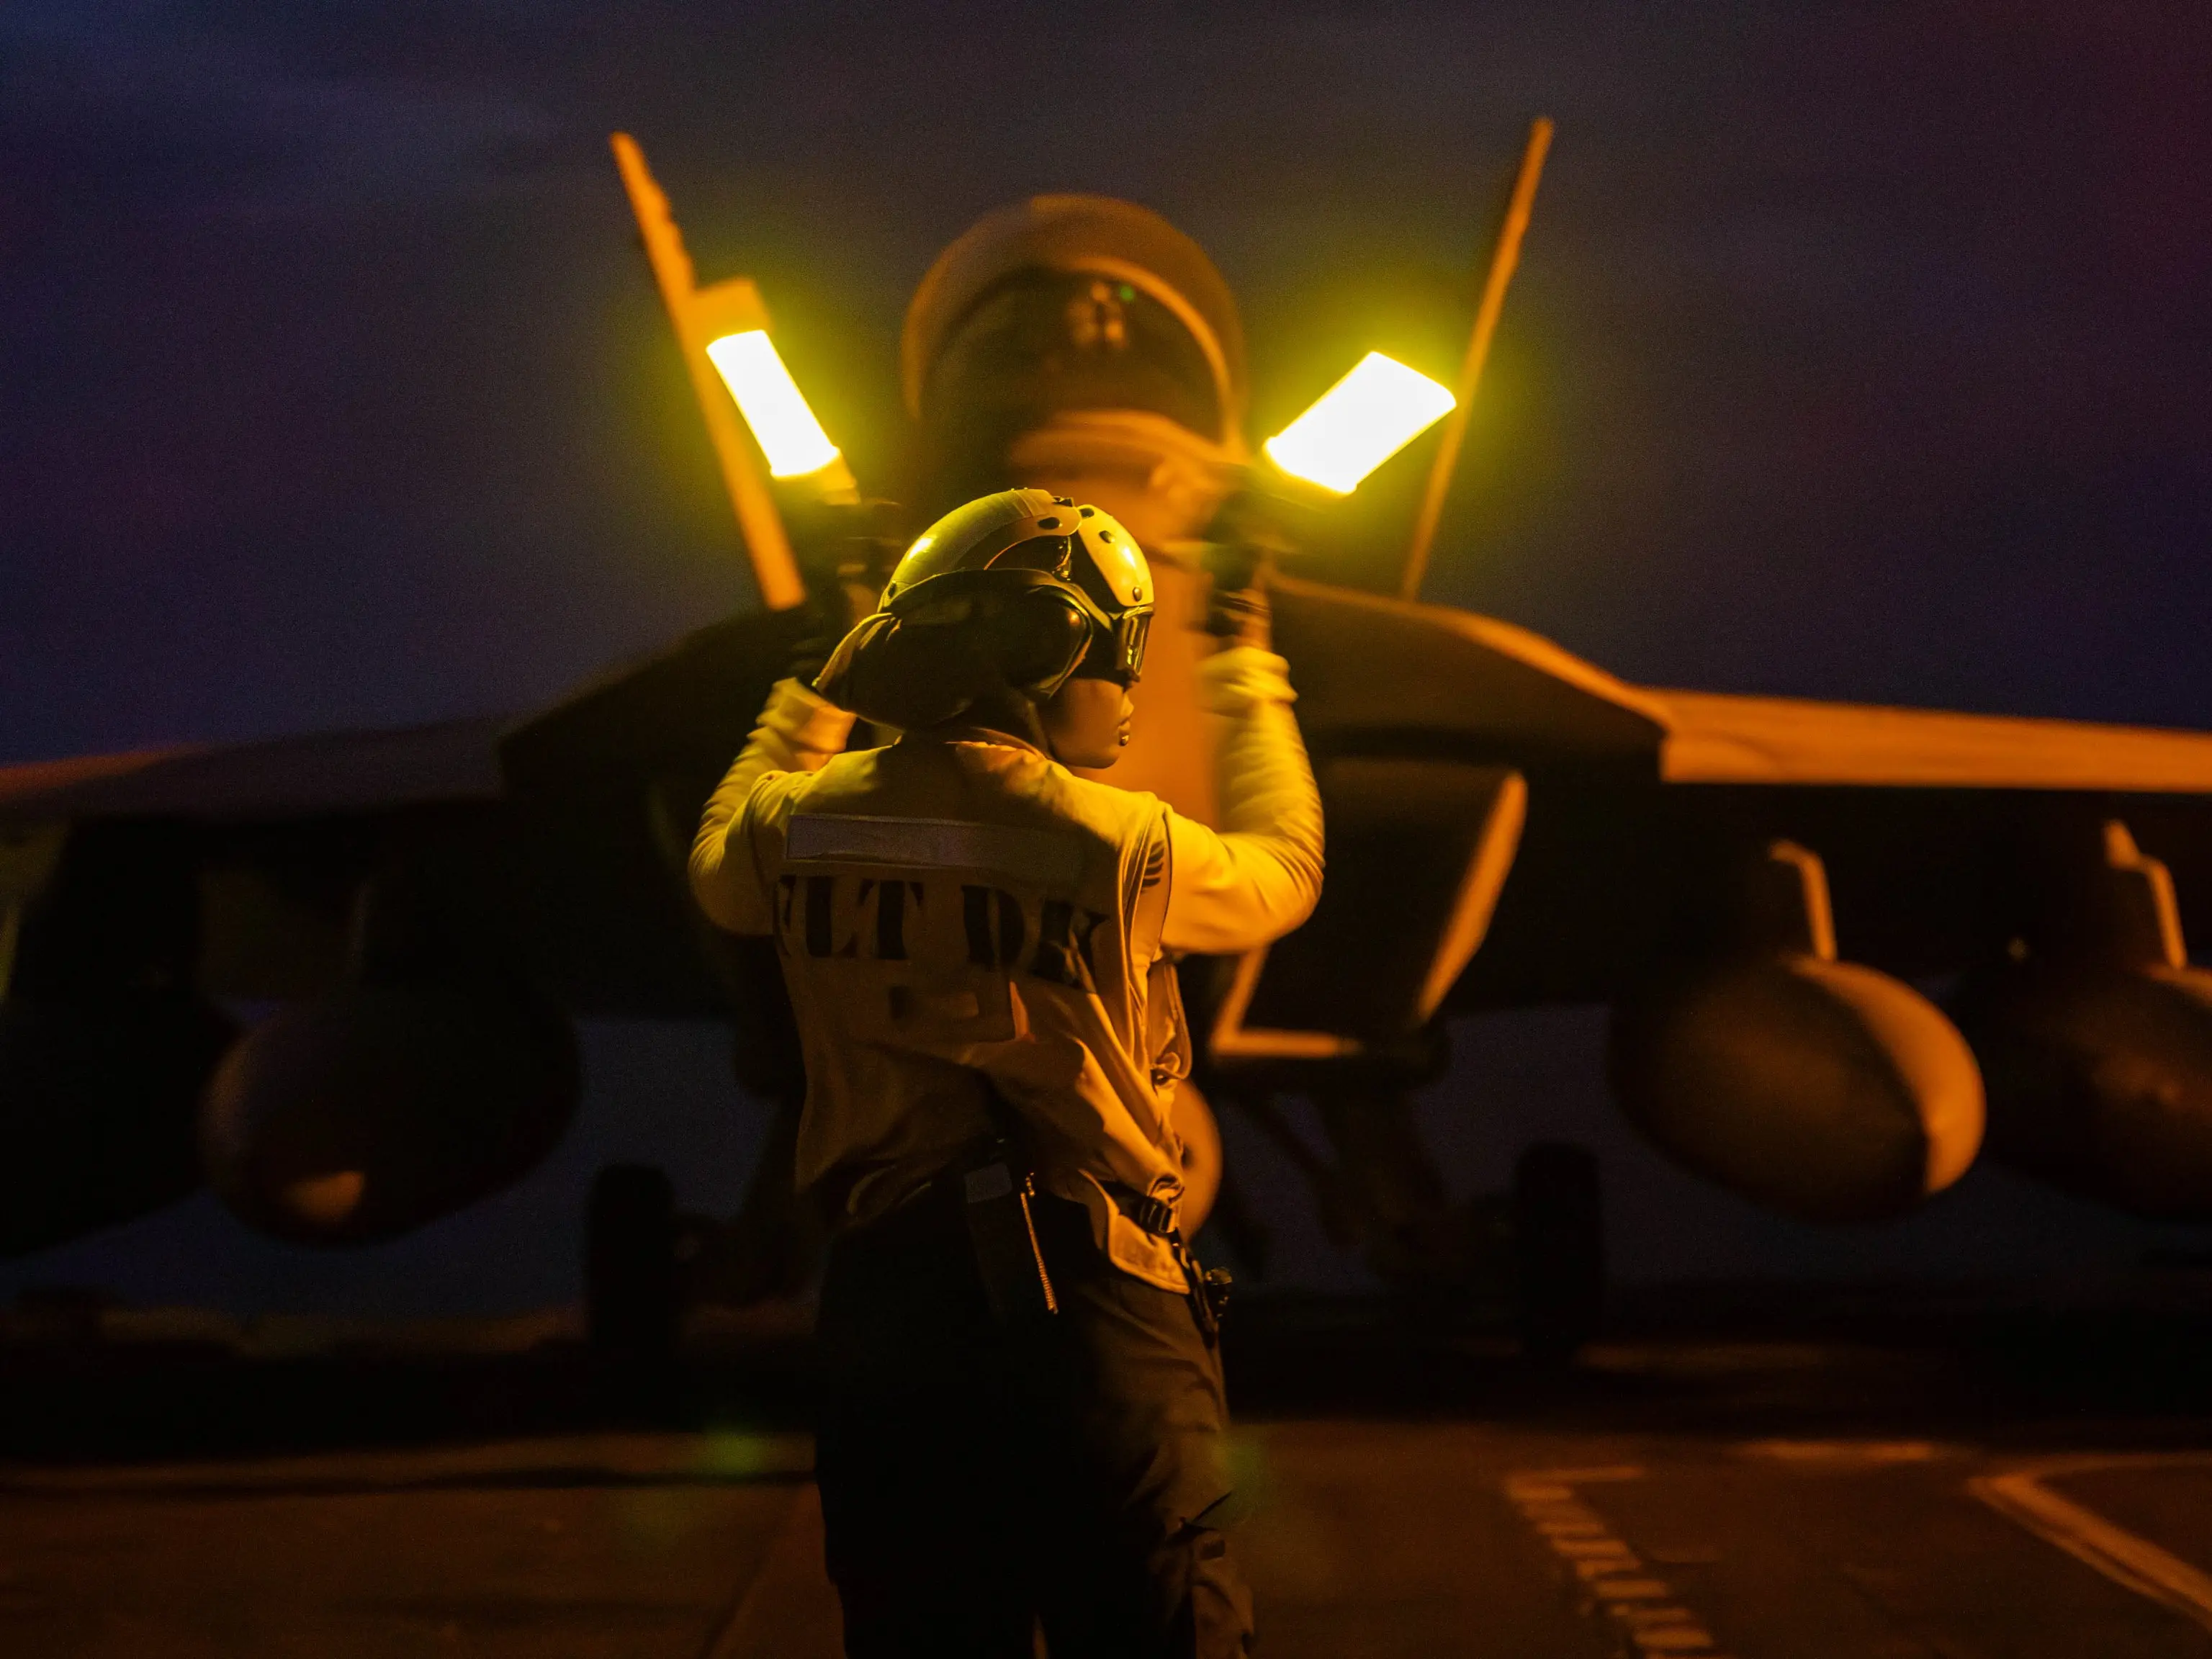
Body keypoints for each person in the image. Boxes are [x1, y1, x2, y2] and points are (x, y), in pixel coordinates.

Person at [690, 485, 1322, 1656]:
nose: (1129, 692)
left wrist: (803, 689)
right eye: (1120, 655)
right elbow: (1287, 871)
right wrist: (1244, 662)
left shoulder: (789, 825)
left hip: (886, 1313)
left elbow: (716, 859)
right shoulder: (1114, 839)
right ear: (1054, 650)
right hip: (1101, 1313)